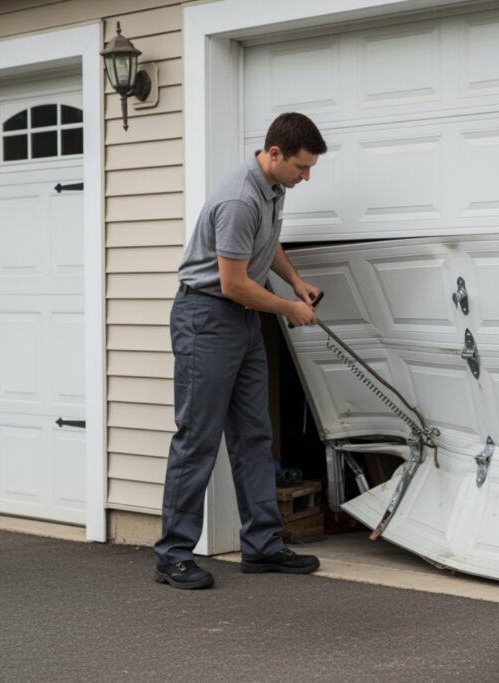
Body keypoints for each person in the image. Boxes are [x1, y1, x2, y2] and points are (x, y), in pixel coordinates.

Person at [153, 112, 327, 589]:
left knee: (253, 435)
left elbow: (265, 246)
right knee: (198, 438)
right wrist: (289, 309)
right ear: (275, 154)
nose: (305, 177)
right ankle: (172, 555)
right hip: (206, 318)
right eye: (301, 167)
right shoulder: (238, 198)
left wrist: (296, 281)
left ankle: (263, 546)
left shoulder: (274, 189)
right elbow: (232, 283)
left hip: (242, 322)